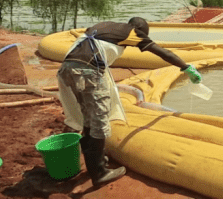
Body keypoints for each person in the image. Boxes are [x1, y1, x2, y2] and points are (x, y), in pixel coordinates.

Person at [57, 17, 202, 187]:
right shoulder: (132, 32)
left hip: (68, 68)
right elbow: (163, 53)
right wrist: (185, 67)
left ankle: (95, 159)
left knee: (89, 115)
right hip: (87, 72)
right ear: (138, 28)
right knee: (99, 120)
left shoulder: (105, 26)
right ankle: (99, 173)